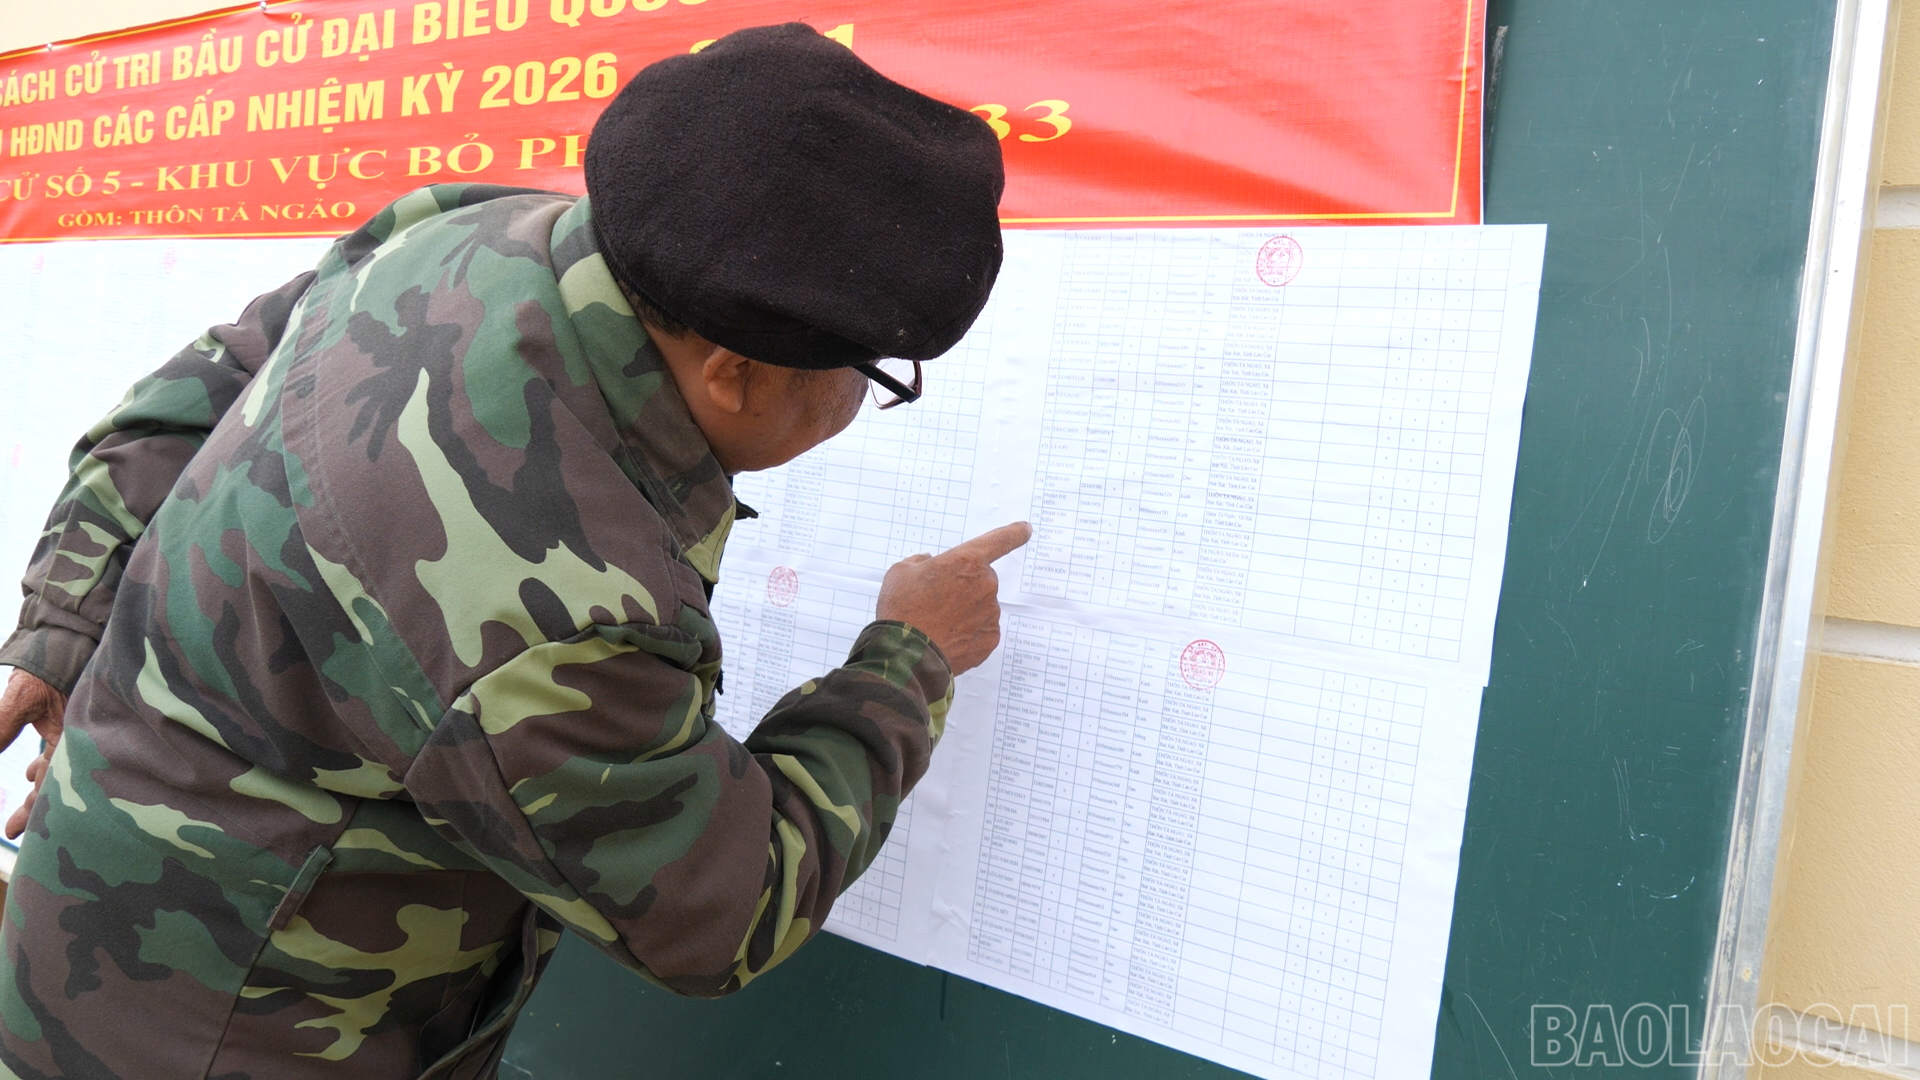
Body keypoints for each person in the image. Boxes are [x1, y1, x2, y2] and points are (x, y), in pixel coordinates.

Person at [0, 23, 1025, 1079]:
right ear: (734, 372)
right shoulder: (558, 601)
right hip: (241, 1038)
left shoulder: (464, 228)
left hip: (74, 921)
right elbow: (720, 914)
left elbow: (201, 386)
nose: (861, 401)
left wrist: (63, 620)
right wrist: (908, 660)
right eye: (873, 375)